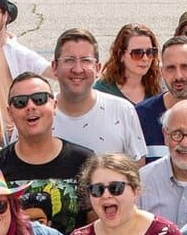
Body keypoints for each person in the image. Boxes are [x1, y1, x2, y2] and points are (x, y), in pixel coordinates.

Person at [0, 70, 93, 235]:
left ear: (54, 105)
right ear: (10, 113)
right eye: (20, 102)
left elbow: (96, 225)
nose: (31, 107)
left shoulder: (84, 161)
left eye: (39, 99)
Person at [51, 28, 146, 161]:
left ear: (97, 68)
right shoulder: (38, 112)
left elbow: (138, 170)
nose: (78, 69)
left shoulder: (122, 110)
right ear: (54, 67)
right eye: (69, 60)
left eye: (86, 60)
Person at [97, 23, 164, 104]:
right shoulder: (102, 92)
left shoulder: (157, 88)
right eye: (137, 53)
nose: (145, 59)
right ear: (121, 55)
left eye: (150, 52)